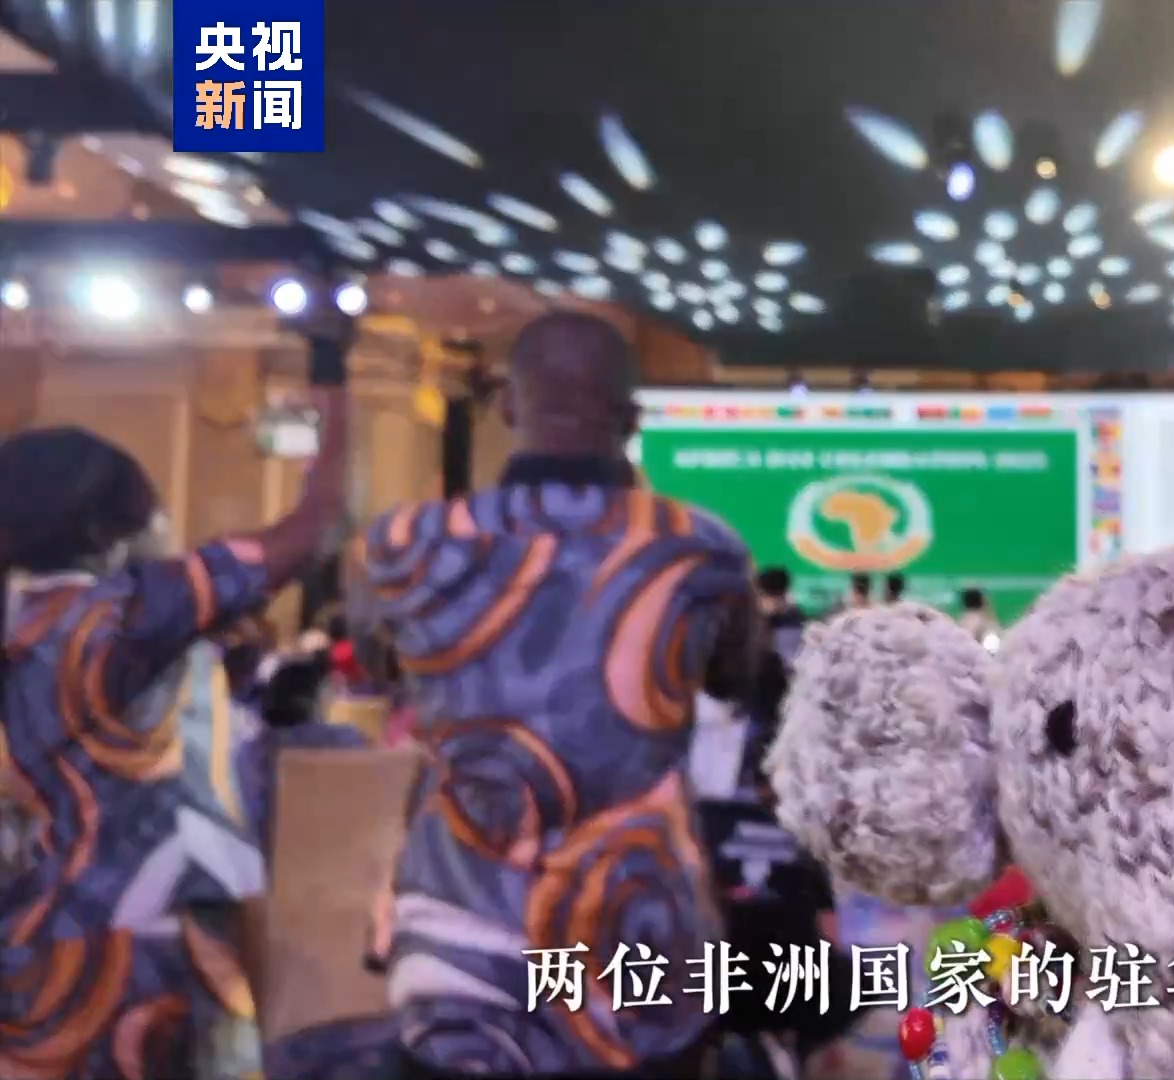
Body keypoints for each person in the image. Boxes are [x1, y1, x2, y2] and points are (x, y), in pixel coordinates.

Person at [347, 311, 762, 1080]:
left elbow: (377, 670)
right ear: (631, 421)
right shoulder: (702, 549)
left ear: (507, 405)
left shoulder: (398, 547)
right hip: (639, 947)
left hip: (457, 943)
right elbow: (735, 679)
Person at [0, 318, 351, 1080]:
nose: (166, 530)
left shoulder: (27, 621)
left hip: (40, 938)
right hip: (146, 947)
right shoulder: (130, 612)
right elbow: (316, 526)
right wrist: (333, 371)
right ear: (108, 528)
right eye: (154, 512)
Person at [233, 654, 369, 853]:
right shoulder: (347, 740)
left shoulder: (249, 752)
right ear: (317, 699)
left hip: (274, 859)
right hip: (342, 853)